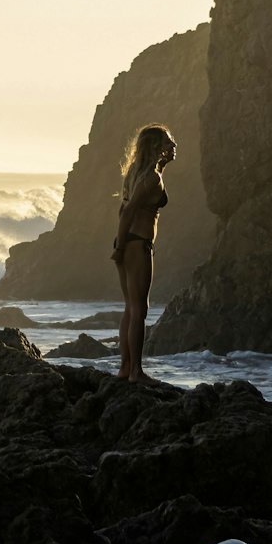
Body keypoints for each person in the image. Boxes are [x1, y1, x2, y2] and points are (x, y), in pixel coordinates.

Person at [109, 123, 176, 382]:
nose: (174, 146)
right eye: (169, 142)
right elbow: (127, 212)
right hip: (136, 245)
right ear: (157, 148)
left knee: (131, 308)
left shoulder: (138, 174)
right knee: (139, 310)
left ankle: (125, 368)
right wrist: (120, 248)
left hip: (129, 243)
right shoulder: (151, 178)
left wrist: (120, 244)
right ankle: (136, 371)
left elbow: (124, 209)